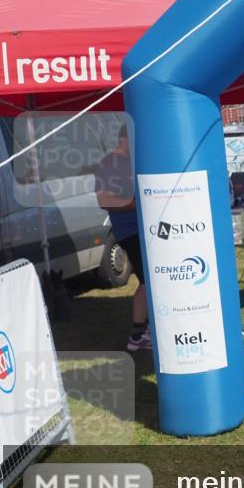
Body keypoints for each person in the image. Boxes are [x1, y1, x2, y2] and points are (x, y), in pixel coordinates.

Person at [93, 125, 150, 351]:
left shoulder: (129, 162)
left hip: (141, 229)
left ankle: (143, 331)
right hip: (129, 230)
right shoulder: (110, 164)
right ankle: (138, 335)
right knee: (148, 282)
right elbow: (104, 200)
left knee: (149, 282)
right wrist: (140, 203)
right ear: (126, 140)